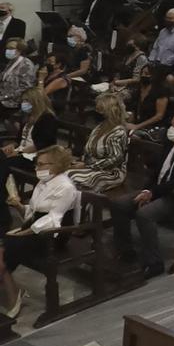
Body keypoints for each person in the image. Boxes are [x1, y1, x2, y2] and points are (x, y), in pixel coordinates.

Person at [112, 108, 174, 276]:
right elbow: (158, 171)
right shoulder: (170, 142)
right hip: (160, 189)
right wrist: (147, 189)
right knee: (119, 204)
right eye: (172, 125)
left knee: (145, 214)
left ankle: (154, 262)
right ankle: (126, 250)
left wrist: (153, 193)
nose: (171, 129)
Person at [0, 146, 81, 322]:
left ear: (57, 164)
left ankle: (13, 295)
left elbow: (53, 219)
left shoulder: (65, 187)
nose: (37, 168)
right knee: (2, 247)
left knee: (3, 247)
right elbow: (33, 213)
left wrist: (21, 234)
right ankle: (13, 292)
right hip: (35, 229)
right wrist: (19, 206)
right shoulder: (43, 183)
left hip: (52, 236)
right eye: (37, 164)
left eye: (41, 164)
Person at [69, 92, 131, 197]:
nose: (96, 112)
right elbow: (89, 149)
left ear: (108, 112)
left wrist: (87, 165)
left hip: (111, 172)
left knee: (72, 178)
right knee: (60, 172)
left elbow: (115, 159)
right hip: (92, 166)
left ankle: (80, 209)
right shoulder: (99, 127)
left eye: (99, 110)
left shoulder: (118, 131)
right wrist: (80, 162)